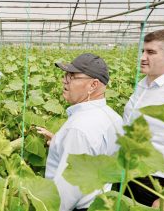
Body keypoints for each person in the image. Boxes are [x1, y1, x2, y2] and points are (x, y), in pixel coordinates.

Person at [36, 53, 124, 211]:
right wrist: (60, 142)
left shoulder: (78, 129)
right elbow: (96, 153)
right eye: (65, 75)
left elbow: (65, 195)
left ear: (93, 85)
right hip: (100, 203)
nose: (64, 80)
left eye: (72, 77)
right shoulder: (113, 117)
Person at [123, 29, 164, 209]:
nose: (143, 57)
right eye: (143, 51)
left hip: (156, 185)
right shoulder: (143, 84)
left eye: (151, 52)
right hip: (129, 174)